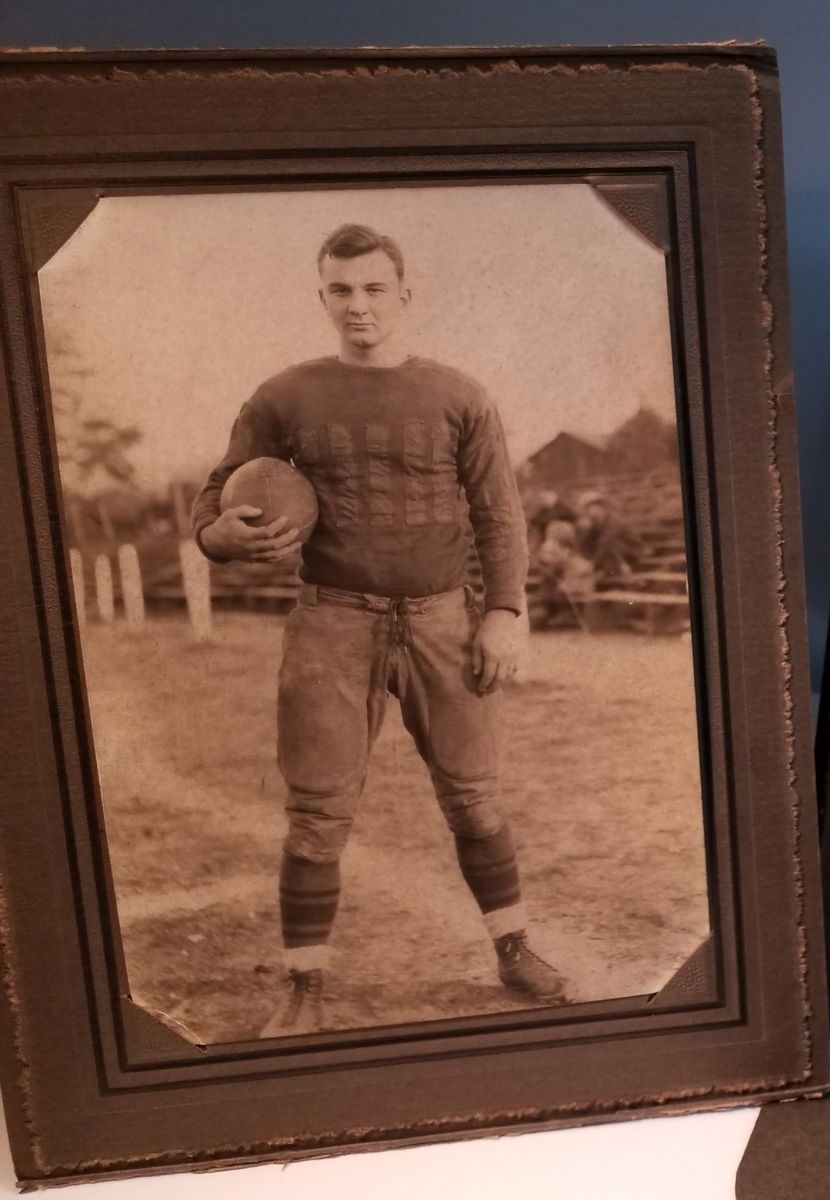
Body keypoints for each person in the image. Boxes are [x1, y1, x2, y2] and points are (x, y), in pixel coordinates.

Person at [192, 223, 566, 1037]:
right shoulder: (284, 395)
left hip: (440, 618)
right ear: (322, 296)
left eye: (372, 289)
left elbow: (499, 513)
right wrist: (222, 536)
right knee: (319, 809)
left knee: (473, 796)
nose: (357, 306)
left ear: (403, 295)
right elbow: (214, 498)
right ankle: (304, 987)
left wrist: (503, 612)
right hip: (333, 620)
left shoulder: (459, 394)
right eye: (340, 290)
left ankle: (513, 949)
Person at [575, 490, 640, 580]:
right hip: (613, 553)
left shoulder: (613, 522)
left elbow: (606, 544)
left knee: (610, 545)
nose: (593, 511)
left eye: (597, 507)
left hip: (631, 552)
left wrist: (592, 565)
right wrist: (584, 530)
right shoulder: (594, 523)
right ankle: (603, 569)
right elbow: (584, 543)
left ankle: (614, 569)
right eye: (589, 508)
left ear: (603, 508)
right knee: (590, 543)